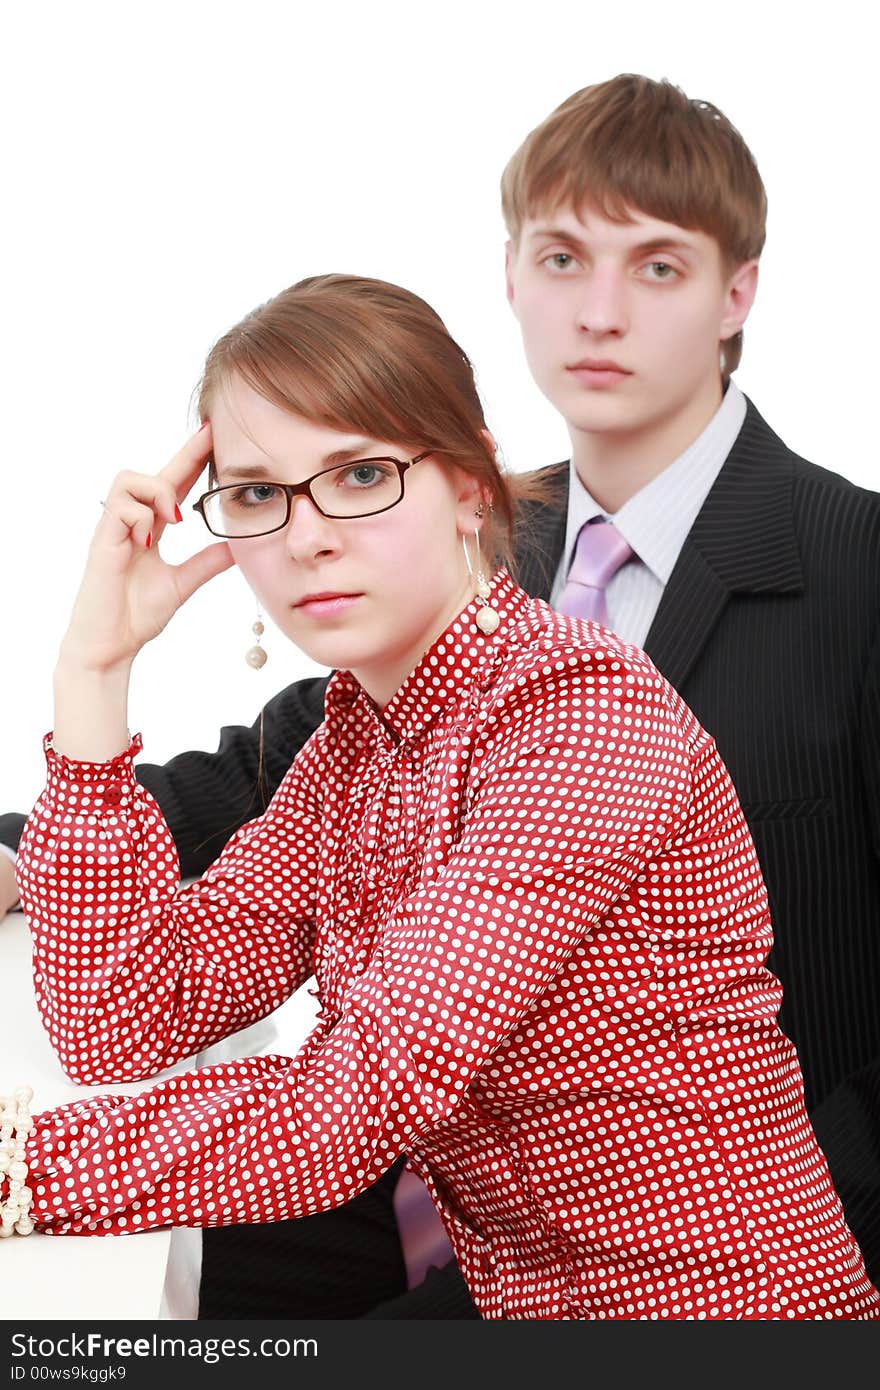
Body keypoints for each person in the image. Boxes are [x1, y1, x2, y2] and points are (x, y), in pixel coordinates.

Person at [4, 72, 879, 1310]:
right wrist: (92, 680)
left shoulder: (585, 710)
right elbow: (125, 1021)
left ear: (472, 486)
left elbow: (356, 1098)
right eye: (257, 493)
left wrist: (17, 1169)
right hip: (514, 1292)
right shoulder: (352, 753)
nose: (304, 535)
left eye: (358, 475)